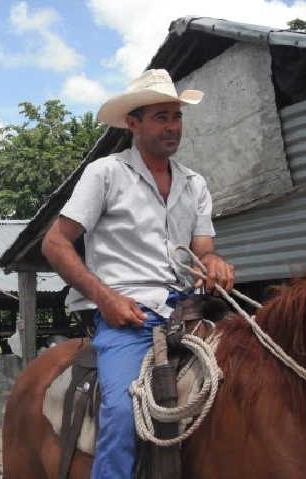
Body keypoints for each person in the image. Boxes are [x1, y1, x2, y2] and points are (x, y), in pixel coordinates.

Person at [42, 69, 235, 479]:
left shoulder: (194, 183)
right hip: (127, 317)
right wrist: (106, 298)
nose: (172, 127)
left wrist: (214, 263)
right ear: (133, 123)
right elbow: (55, 243)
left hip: (188, 312)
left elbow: (203, 249)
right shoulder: (106, 173)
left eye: (177, 117)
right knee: (121, 410)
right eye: (161, 117)